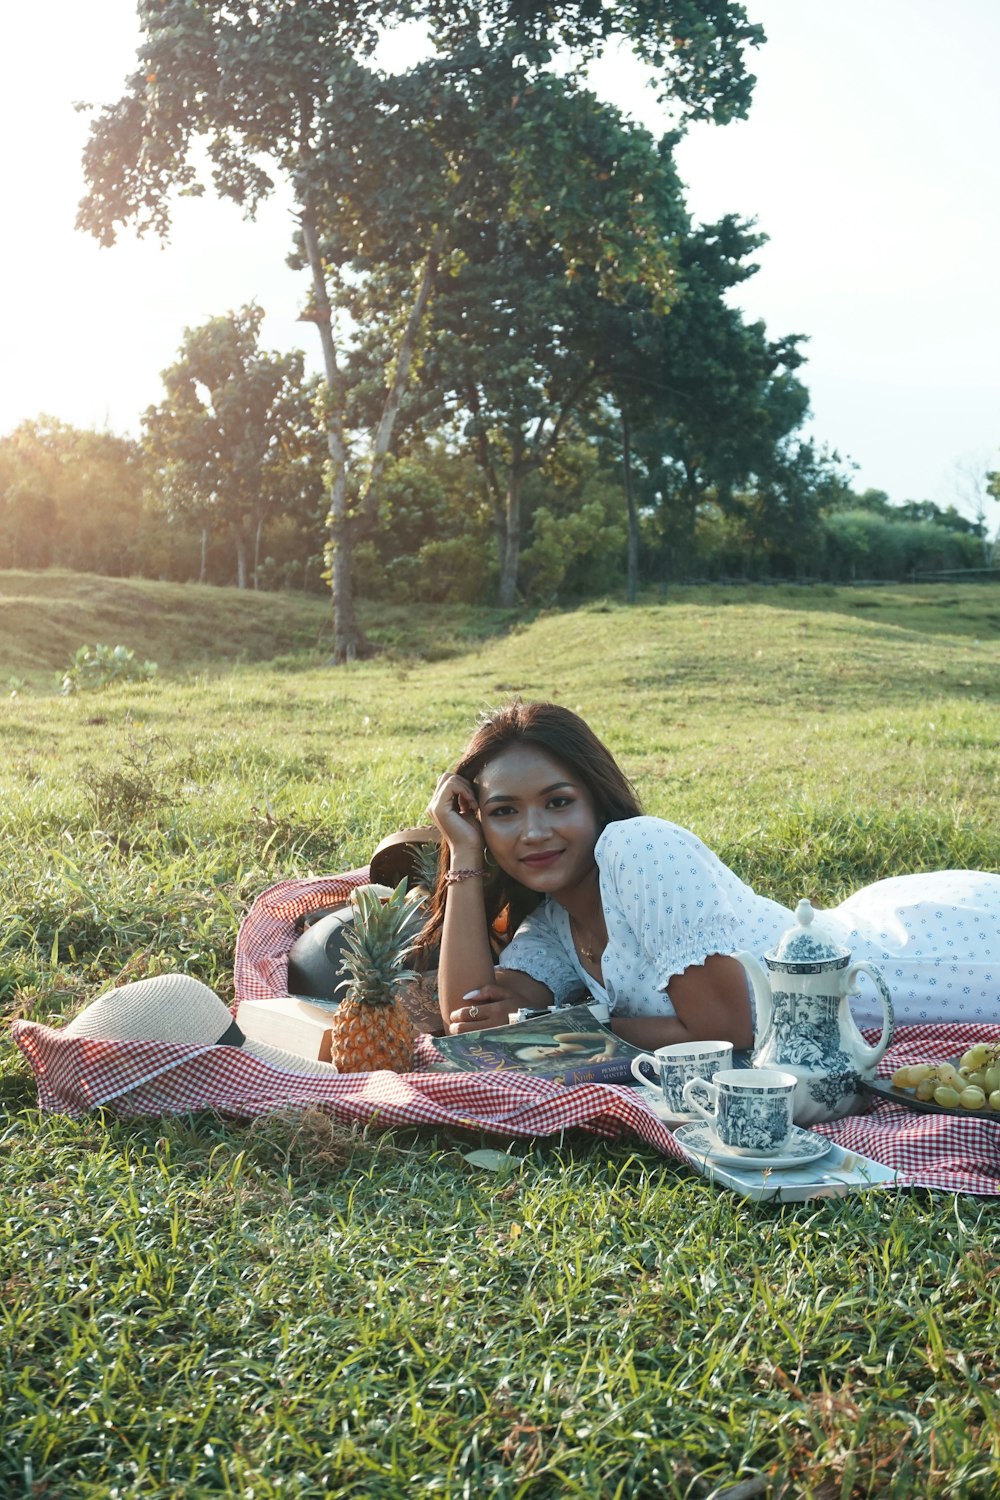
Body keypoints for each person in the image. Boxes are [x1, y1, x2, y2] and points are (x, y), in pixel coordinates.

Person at [422, 700, 999, 1045]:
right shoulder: (554, 923)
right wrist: (466, 856)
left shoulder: (639, 849)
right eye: (503, 812)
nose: (533, 832)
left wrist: (559, 1029)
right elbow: (471, 1018)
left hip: (931, 968)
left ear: (596, 802)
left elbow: (728, 1031)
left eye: (558, 802)